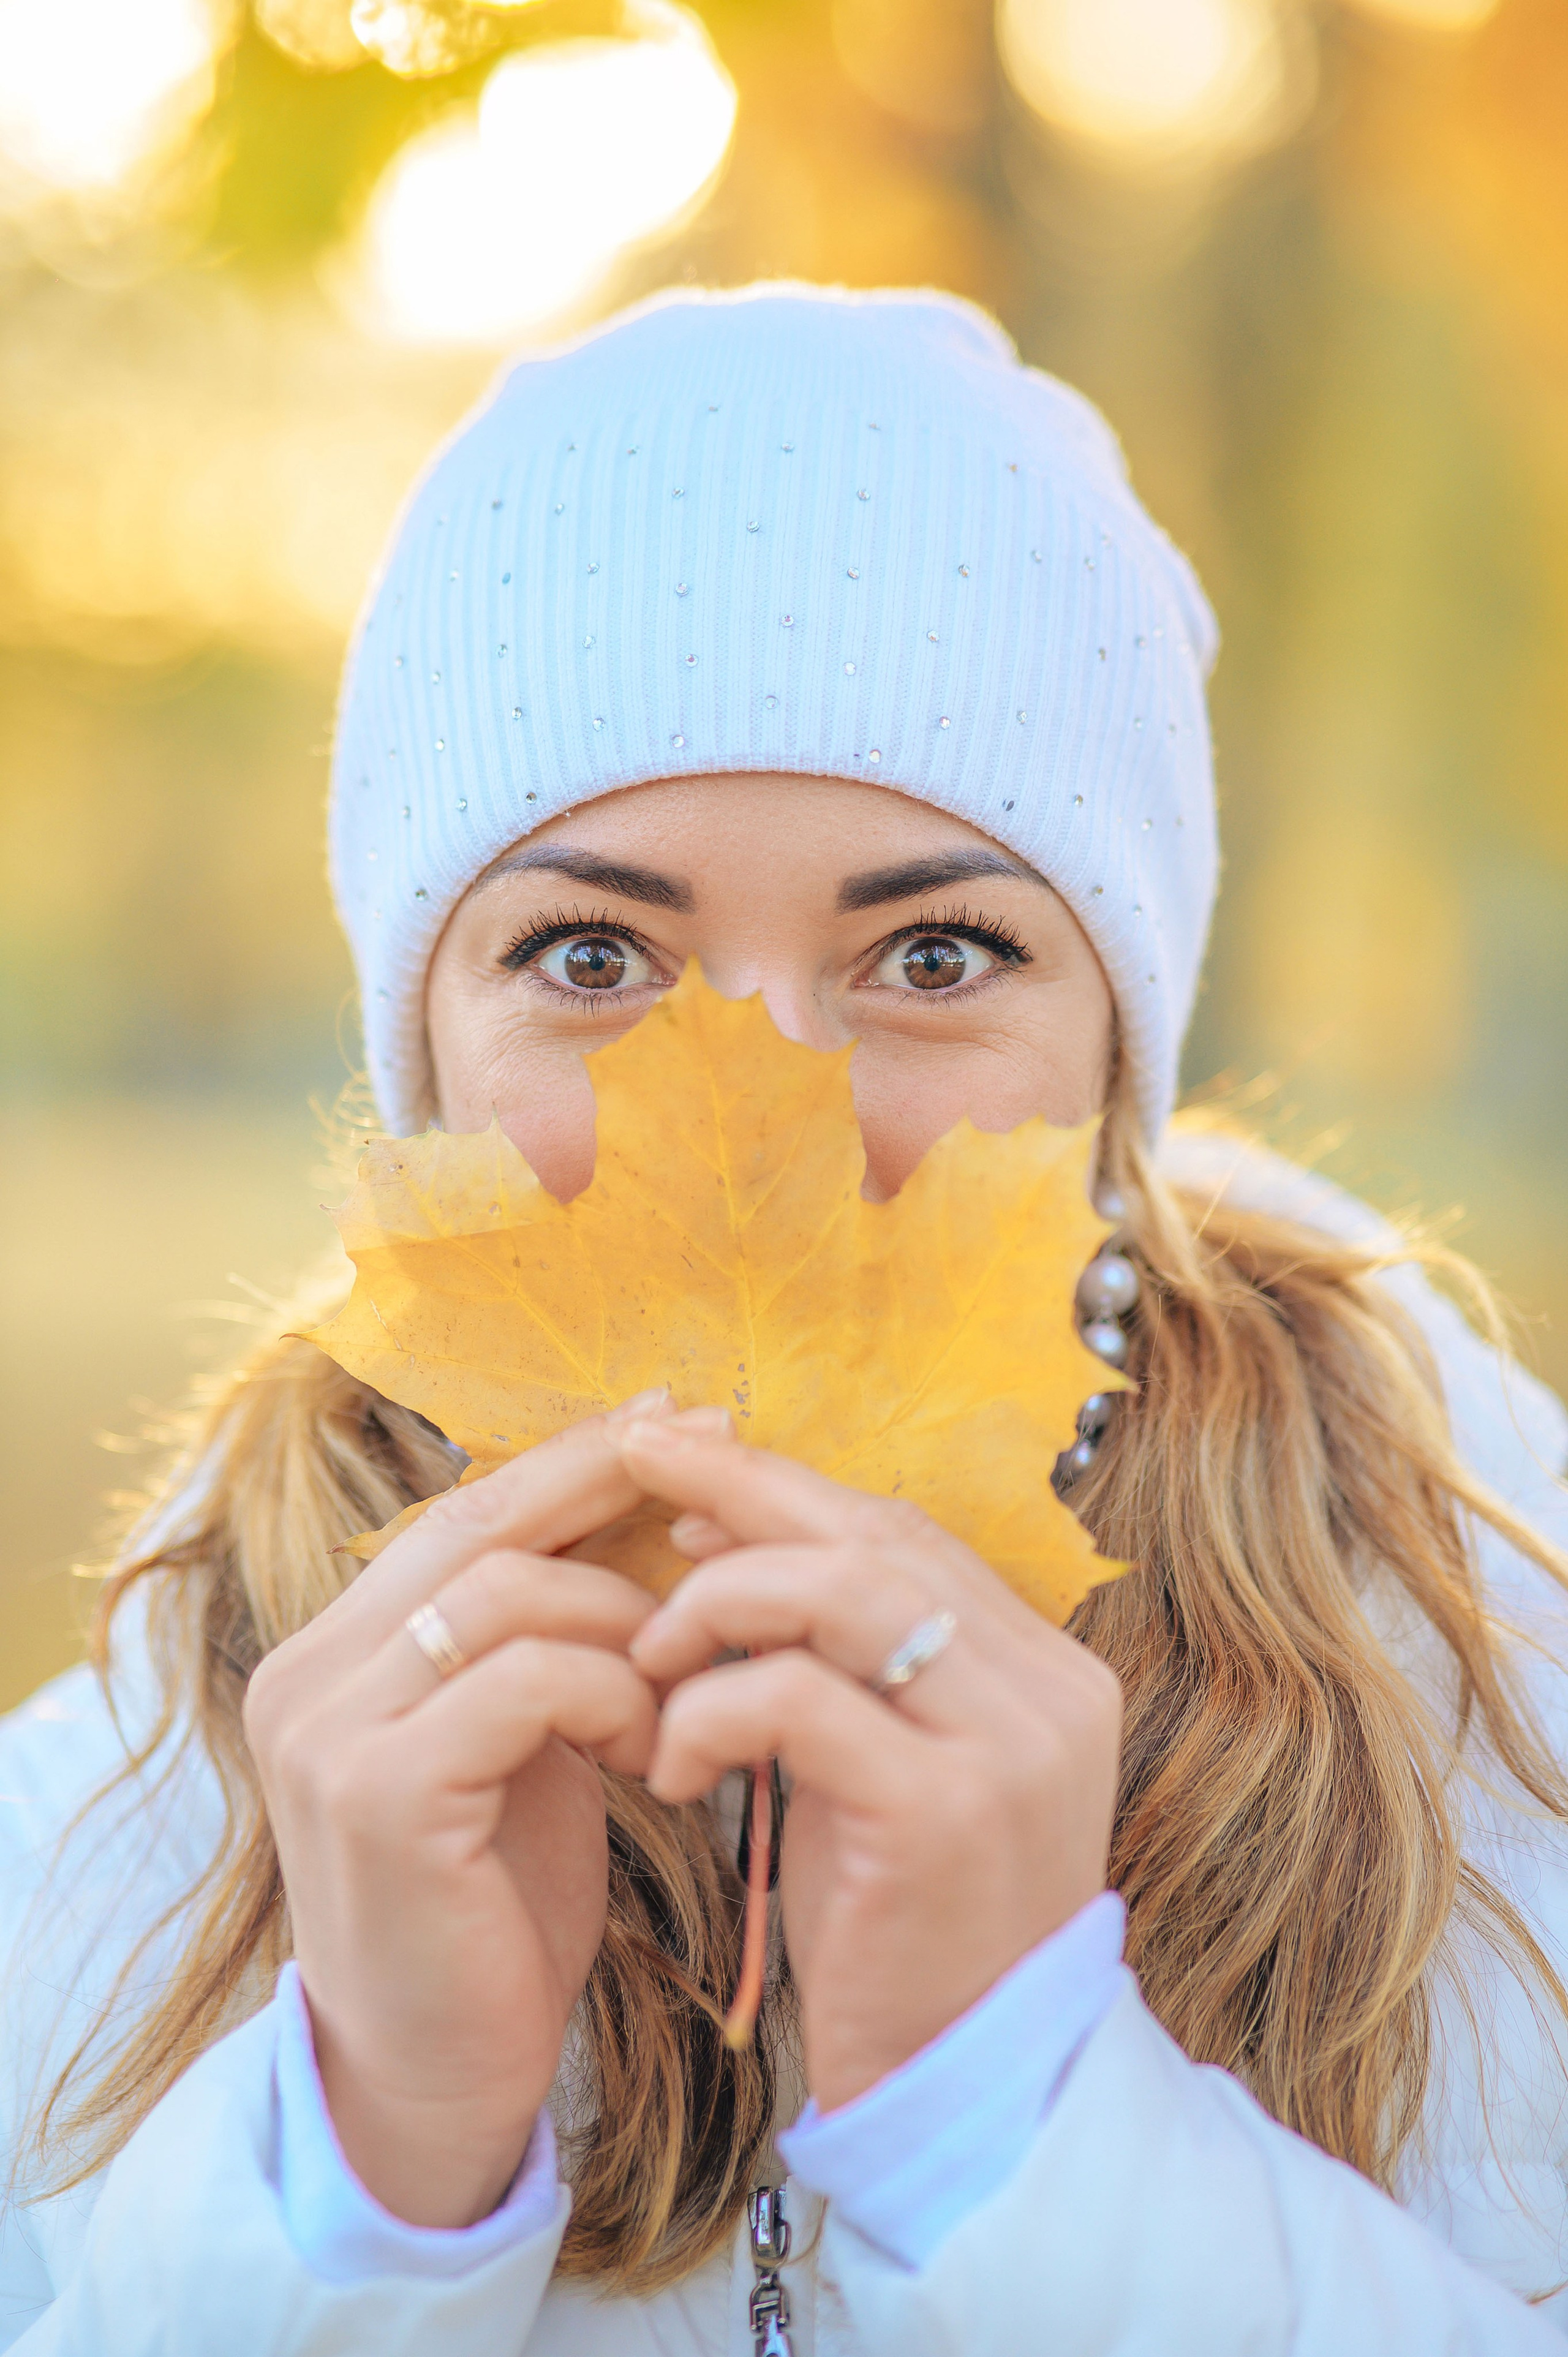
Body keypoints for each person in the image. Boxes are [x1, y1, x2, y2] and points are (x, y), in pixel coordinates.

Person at [2, 285, 1566, 2355]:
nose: (775, 1107)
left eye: (934, 952)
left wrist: (1018, 2136)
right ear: (423, 1045)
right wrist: (364, 2176)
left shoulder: (1499, 1737)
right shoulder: (112, 1826)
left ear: (1116, 1049)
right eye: (586, 951)